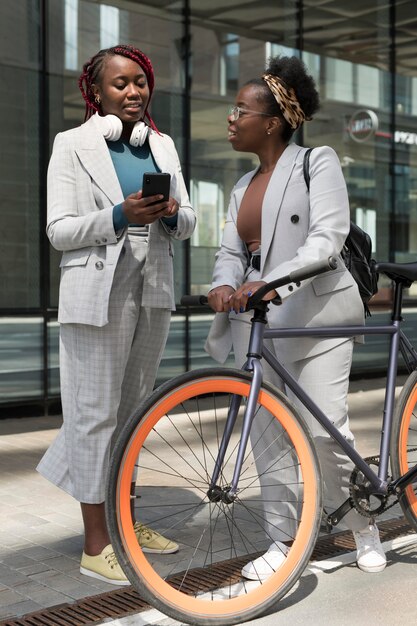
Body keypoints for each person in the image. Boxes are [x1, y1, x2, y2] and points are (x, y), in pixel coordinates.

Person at [205, 55, 386, 579]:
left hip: (316, 317)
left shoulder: (318, 161)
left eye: (241, 110)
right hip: (258, 324)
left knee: (326, 430)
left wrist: (273, 279)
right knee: (266, 434)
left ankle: (363, 525)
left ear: (274, 119)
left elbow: (326, 238)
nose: (232, 119)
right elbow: (231, 251)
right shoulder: (241, 186)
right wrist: (223, 282)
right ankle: (282, 543)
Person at [37, 44, 196, 585]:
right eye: (120, 84)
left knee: (133, 414)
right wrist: (117, 215)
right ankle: (95, 544)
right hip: (94, 295)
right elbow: (59, 231)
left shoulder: (163, 146)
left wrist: (173, 214)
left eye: (140, 83)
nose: (133, 93)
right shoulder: (72, 145)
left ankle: (125, 519)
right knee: (93, 415)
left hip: (151, 290)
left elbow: (192, 217)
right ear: (97, 91)